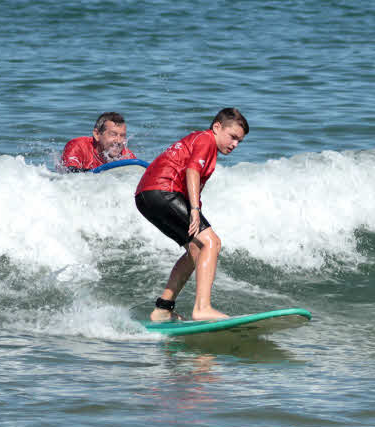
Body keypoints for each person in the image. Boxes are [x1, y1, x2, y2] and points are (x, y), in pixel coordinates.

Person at [134, 107, 248, 322]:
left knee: (196, 250)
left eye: (239, 142)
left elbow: (188, 178)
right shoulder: (206, 139)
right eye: (232, 137)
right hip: (162, 191)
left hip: (145, 196)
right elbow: (192, 171)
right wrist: (195, 210)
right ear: (217, 127)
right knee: (211, 243)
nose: (234, 145)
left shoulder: (197, 141)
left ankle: (162, 309)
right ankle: (202, 308)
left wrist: (195, 208)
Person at [61, 112, 136, 172]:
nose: (119, 141)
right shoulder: (78, 146)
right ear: (97, 134)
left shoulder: (127, 156)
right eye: (113, 135)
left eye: (122, 136)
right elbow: (69, 173)